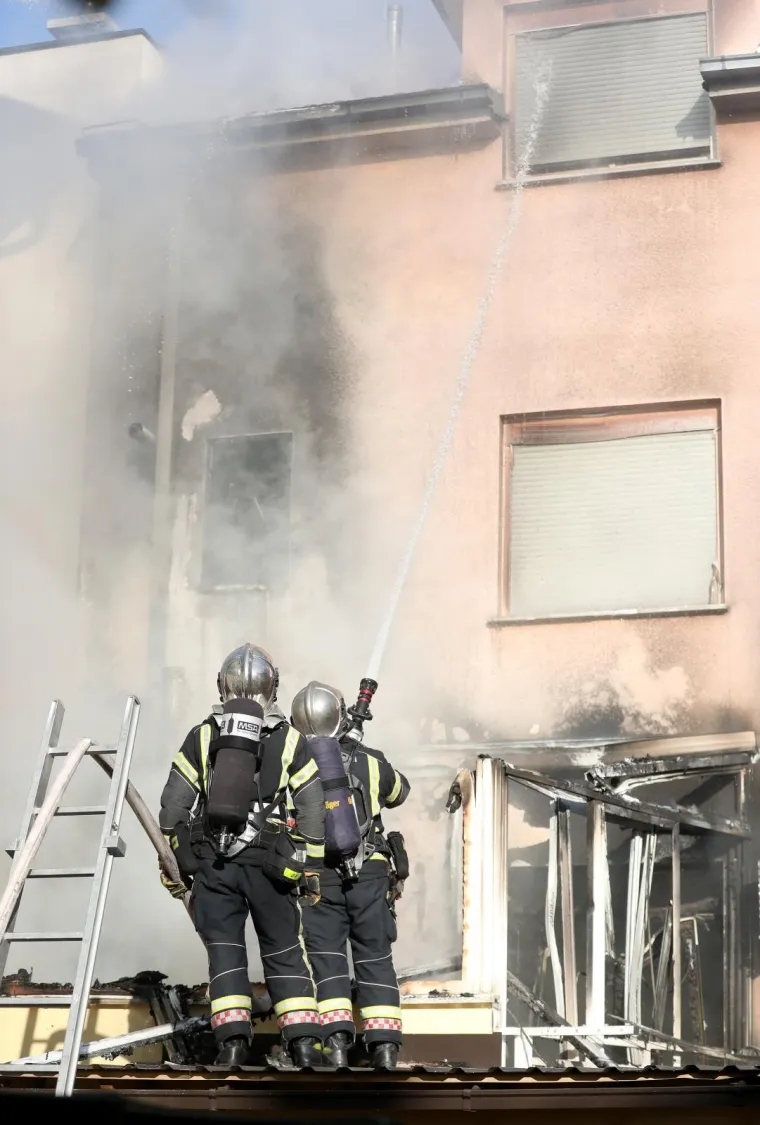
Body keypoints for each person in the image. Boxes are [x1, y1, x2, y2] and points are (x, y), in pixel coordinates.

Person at [158, 643, 326, 1068]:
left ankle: (231, 1045)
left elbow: (173, 806)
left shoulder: (203, 735)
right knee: (284, 949)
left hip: (216, 863)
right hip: (271, 865)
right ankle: (303, 1044)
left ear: (222, 683)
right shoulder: (289, 739)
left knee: (225, 953)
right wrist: (307, 867)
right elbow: (310, 805)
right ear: (273, 687)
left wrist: (173, 864)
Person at [290, 681, 411, 1070]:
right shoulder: (371, 760)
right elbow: (399, 792)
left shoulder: (292, 760)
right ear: (342, 715)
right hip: (370, 871)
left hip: (317, 875)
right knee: (375, 955)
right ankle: (385, 1049)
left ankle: (337, 1045)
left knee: (326, 959)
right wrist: (358, 755)